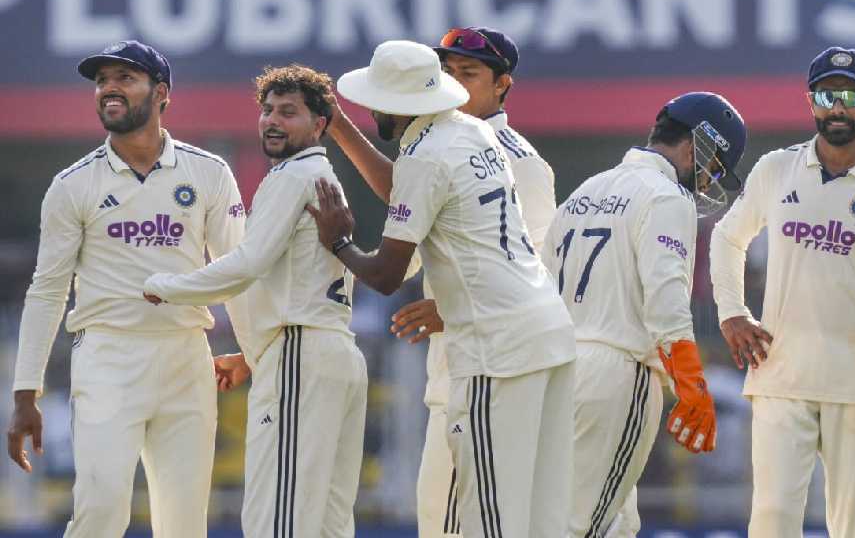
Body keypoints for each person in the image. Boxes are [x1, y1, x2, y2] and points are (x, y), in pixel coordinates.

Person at [308, 39, 576, 538]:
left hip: (497, 348)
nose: (370, 112)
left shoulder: (427, 157)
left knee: (485, 519)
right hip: (549, 335)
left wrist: (340, 241)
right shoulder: (473, 132)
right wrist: (340, 126)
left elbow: (388, 275)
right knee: (542, 518)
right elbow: (411, 188)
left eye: (374, 103)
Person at [5, 40, 249, 537]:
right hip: (108, 356)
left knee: (183, 524)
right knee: (100, 510)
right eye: (101, 81)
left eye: (124, 79)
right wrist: (25, 393)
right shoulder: (73, 185)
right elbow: (47, 290)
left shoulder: (208, 172)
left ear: (161, 93)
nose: (109, 89)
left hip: (186, 357)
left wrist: (249, 346)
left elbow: (238, 268)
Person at [142, 64, 367, 538]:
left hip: (301, 357)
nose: (272, 121)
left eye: (289, 112)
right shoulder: (320, 175)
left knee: (276, 522)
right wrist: (253, 352)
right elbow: (297, 280)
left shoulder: (292, 175)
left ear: (320, 124)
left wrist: (164, 286)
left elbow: (247, 264)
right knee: (327, 524)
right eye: (267, 110)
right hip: (331, 353)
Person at [709, 46, 855, 538]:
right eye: (827, 95)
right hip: (781, 375)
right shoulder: (778, 169)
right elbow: (729, 236)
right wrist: (732, 312)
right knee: (771, 522)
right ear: (810, 101)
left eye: (851, 96)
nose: (838, 107)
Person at [543, 92, 746, 538]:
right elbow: (666, 303)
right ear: (696, 148)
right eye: (713, 170)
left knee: (613, 521)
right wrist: (690, 385)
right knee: (581, 527)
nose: (709, 184)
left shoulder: (585, 191)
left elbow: (540, 286)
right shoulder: (666, 196)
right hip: (618, 374)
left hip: (556, 369)